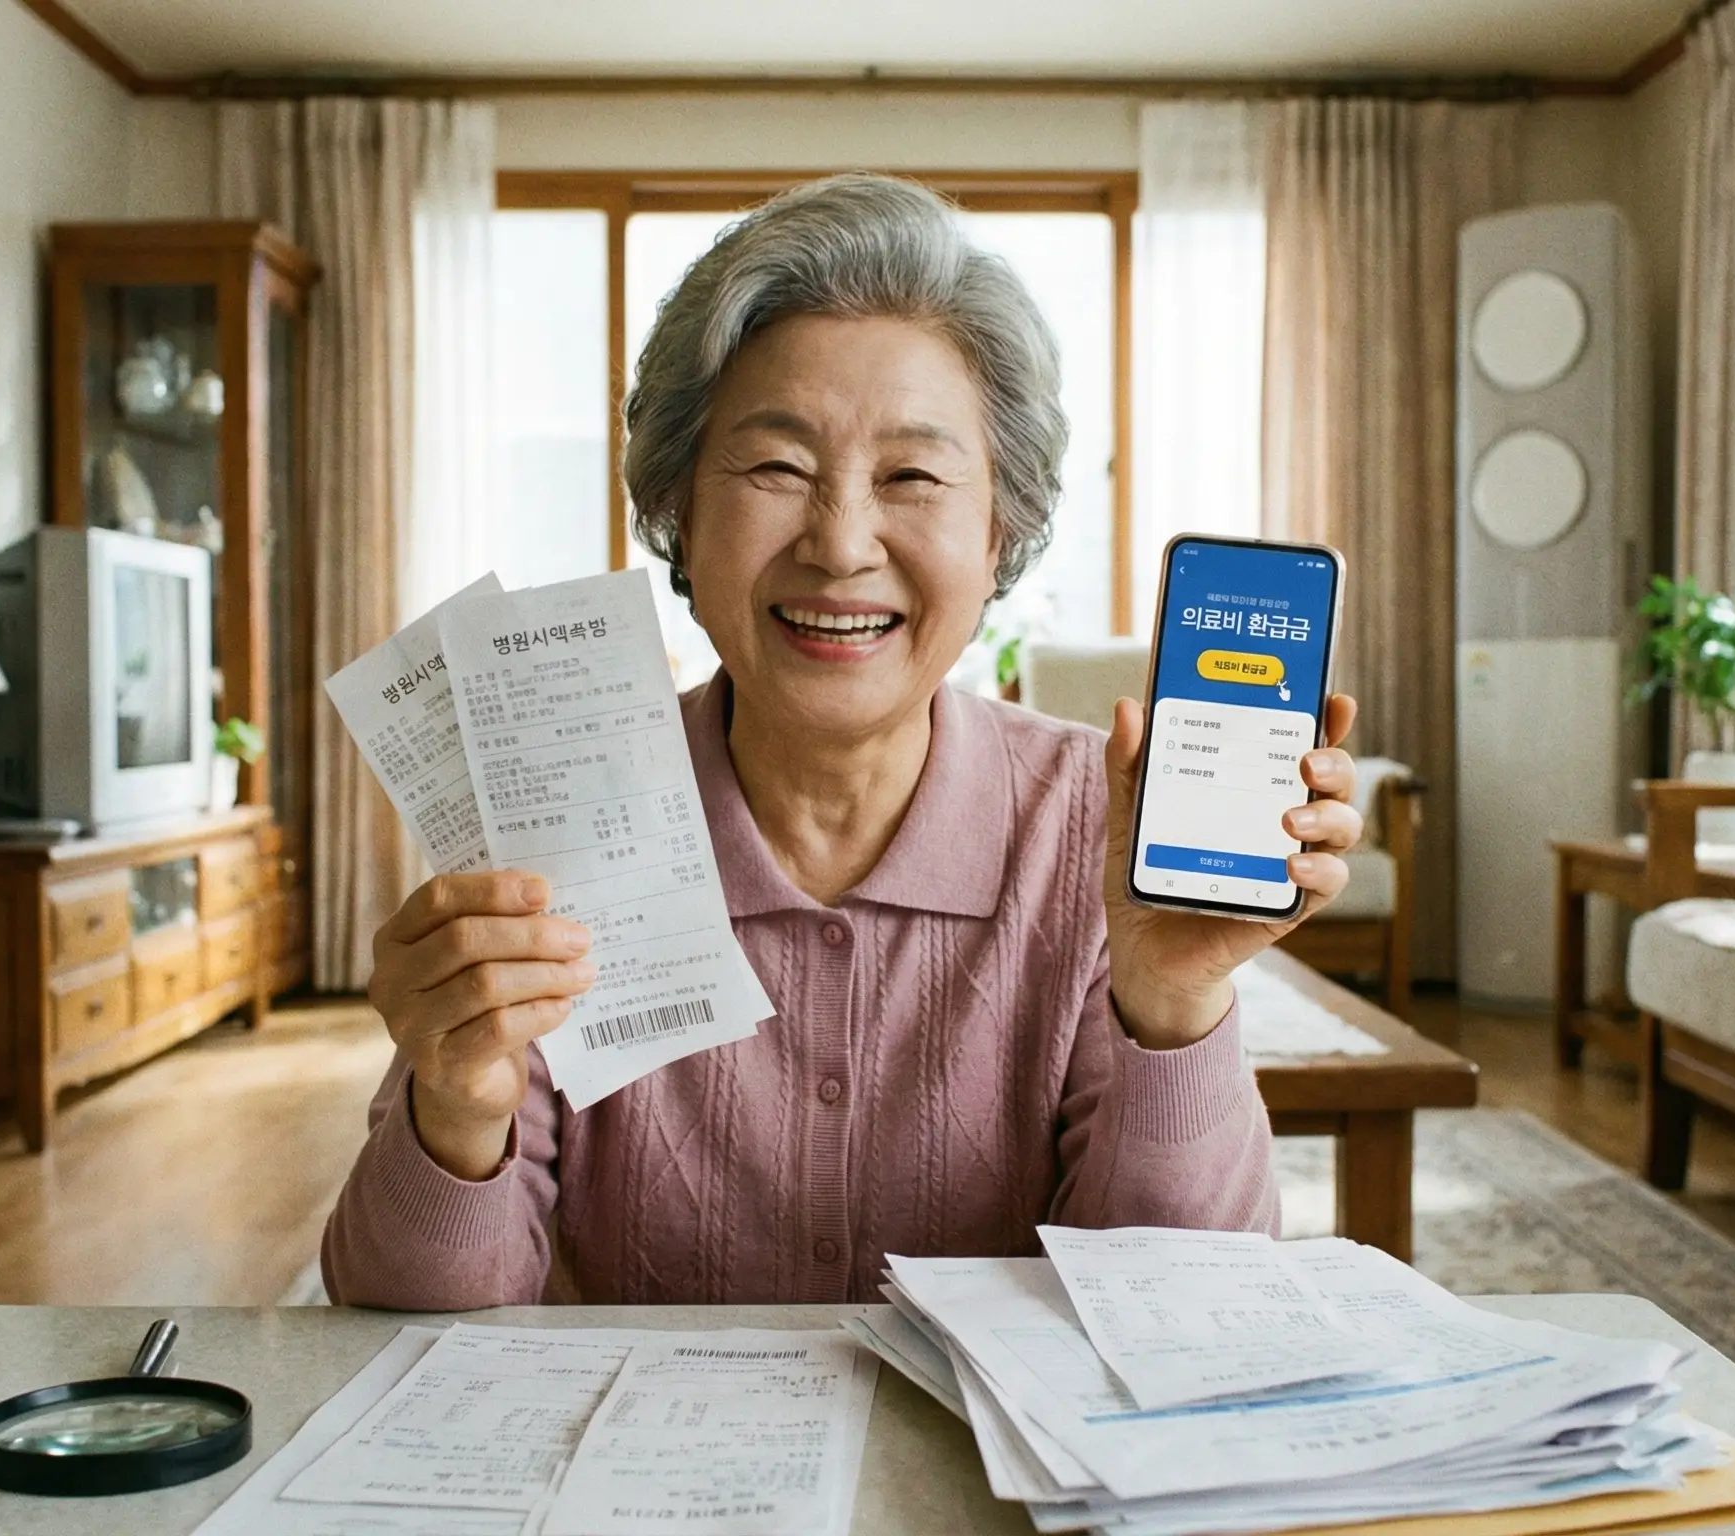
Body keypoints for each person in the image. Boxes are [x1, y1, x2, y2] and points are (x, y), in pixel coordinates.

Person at [321, 173, 1364, 1308]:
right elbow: (409, 1322)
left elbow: (1184, 1308)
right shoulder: (553, 820)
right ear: (677, 511)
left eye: (912, 476)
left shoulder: (1095, 827)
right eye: (778, 469)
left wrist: (1173, 1008)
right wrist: (456, 1106)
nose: (841, 544)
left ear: (1000, 531)